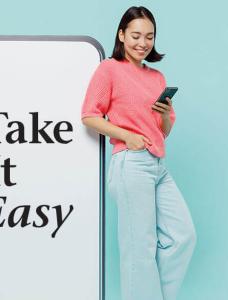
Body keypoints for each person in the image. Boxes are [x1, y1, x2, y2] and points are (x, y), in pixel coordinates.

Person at [80, 6, 197, 300]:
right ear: (121, 35)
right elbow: (89, 116)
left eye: (149, 36)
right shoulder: (109, 69)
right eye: (135, 35)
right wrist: (127, 136)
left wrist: (166, 114)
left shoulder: (156, 77)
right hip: (130, 163)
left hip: (158, 164)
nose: (142, 43)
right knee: (139, 249)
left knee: (183, 237)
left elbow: (163, 130)